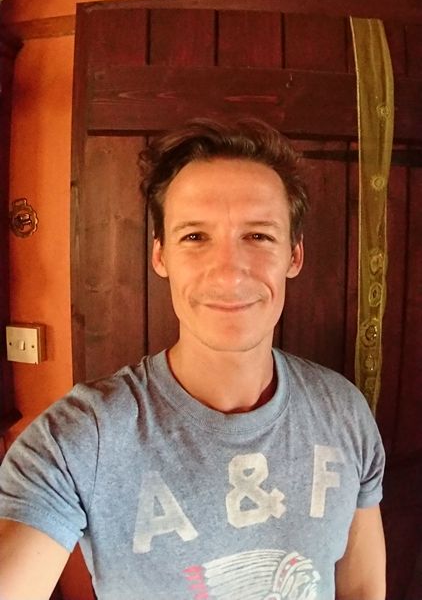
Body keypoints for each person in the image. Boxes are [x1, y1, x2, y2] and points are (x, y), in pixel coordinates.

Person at [0, 119, 386, 600]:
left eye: (258, 236)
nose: (229, 273)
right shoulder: (79, 439)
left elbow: (363, 587)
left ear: (294, 255)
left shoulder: (344, 412)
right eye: (195, 237)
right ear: (160, 257)